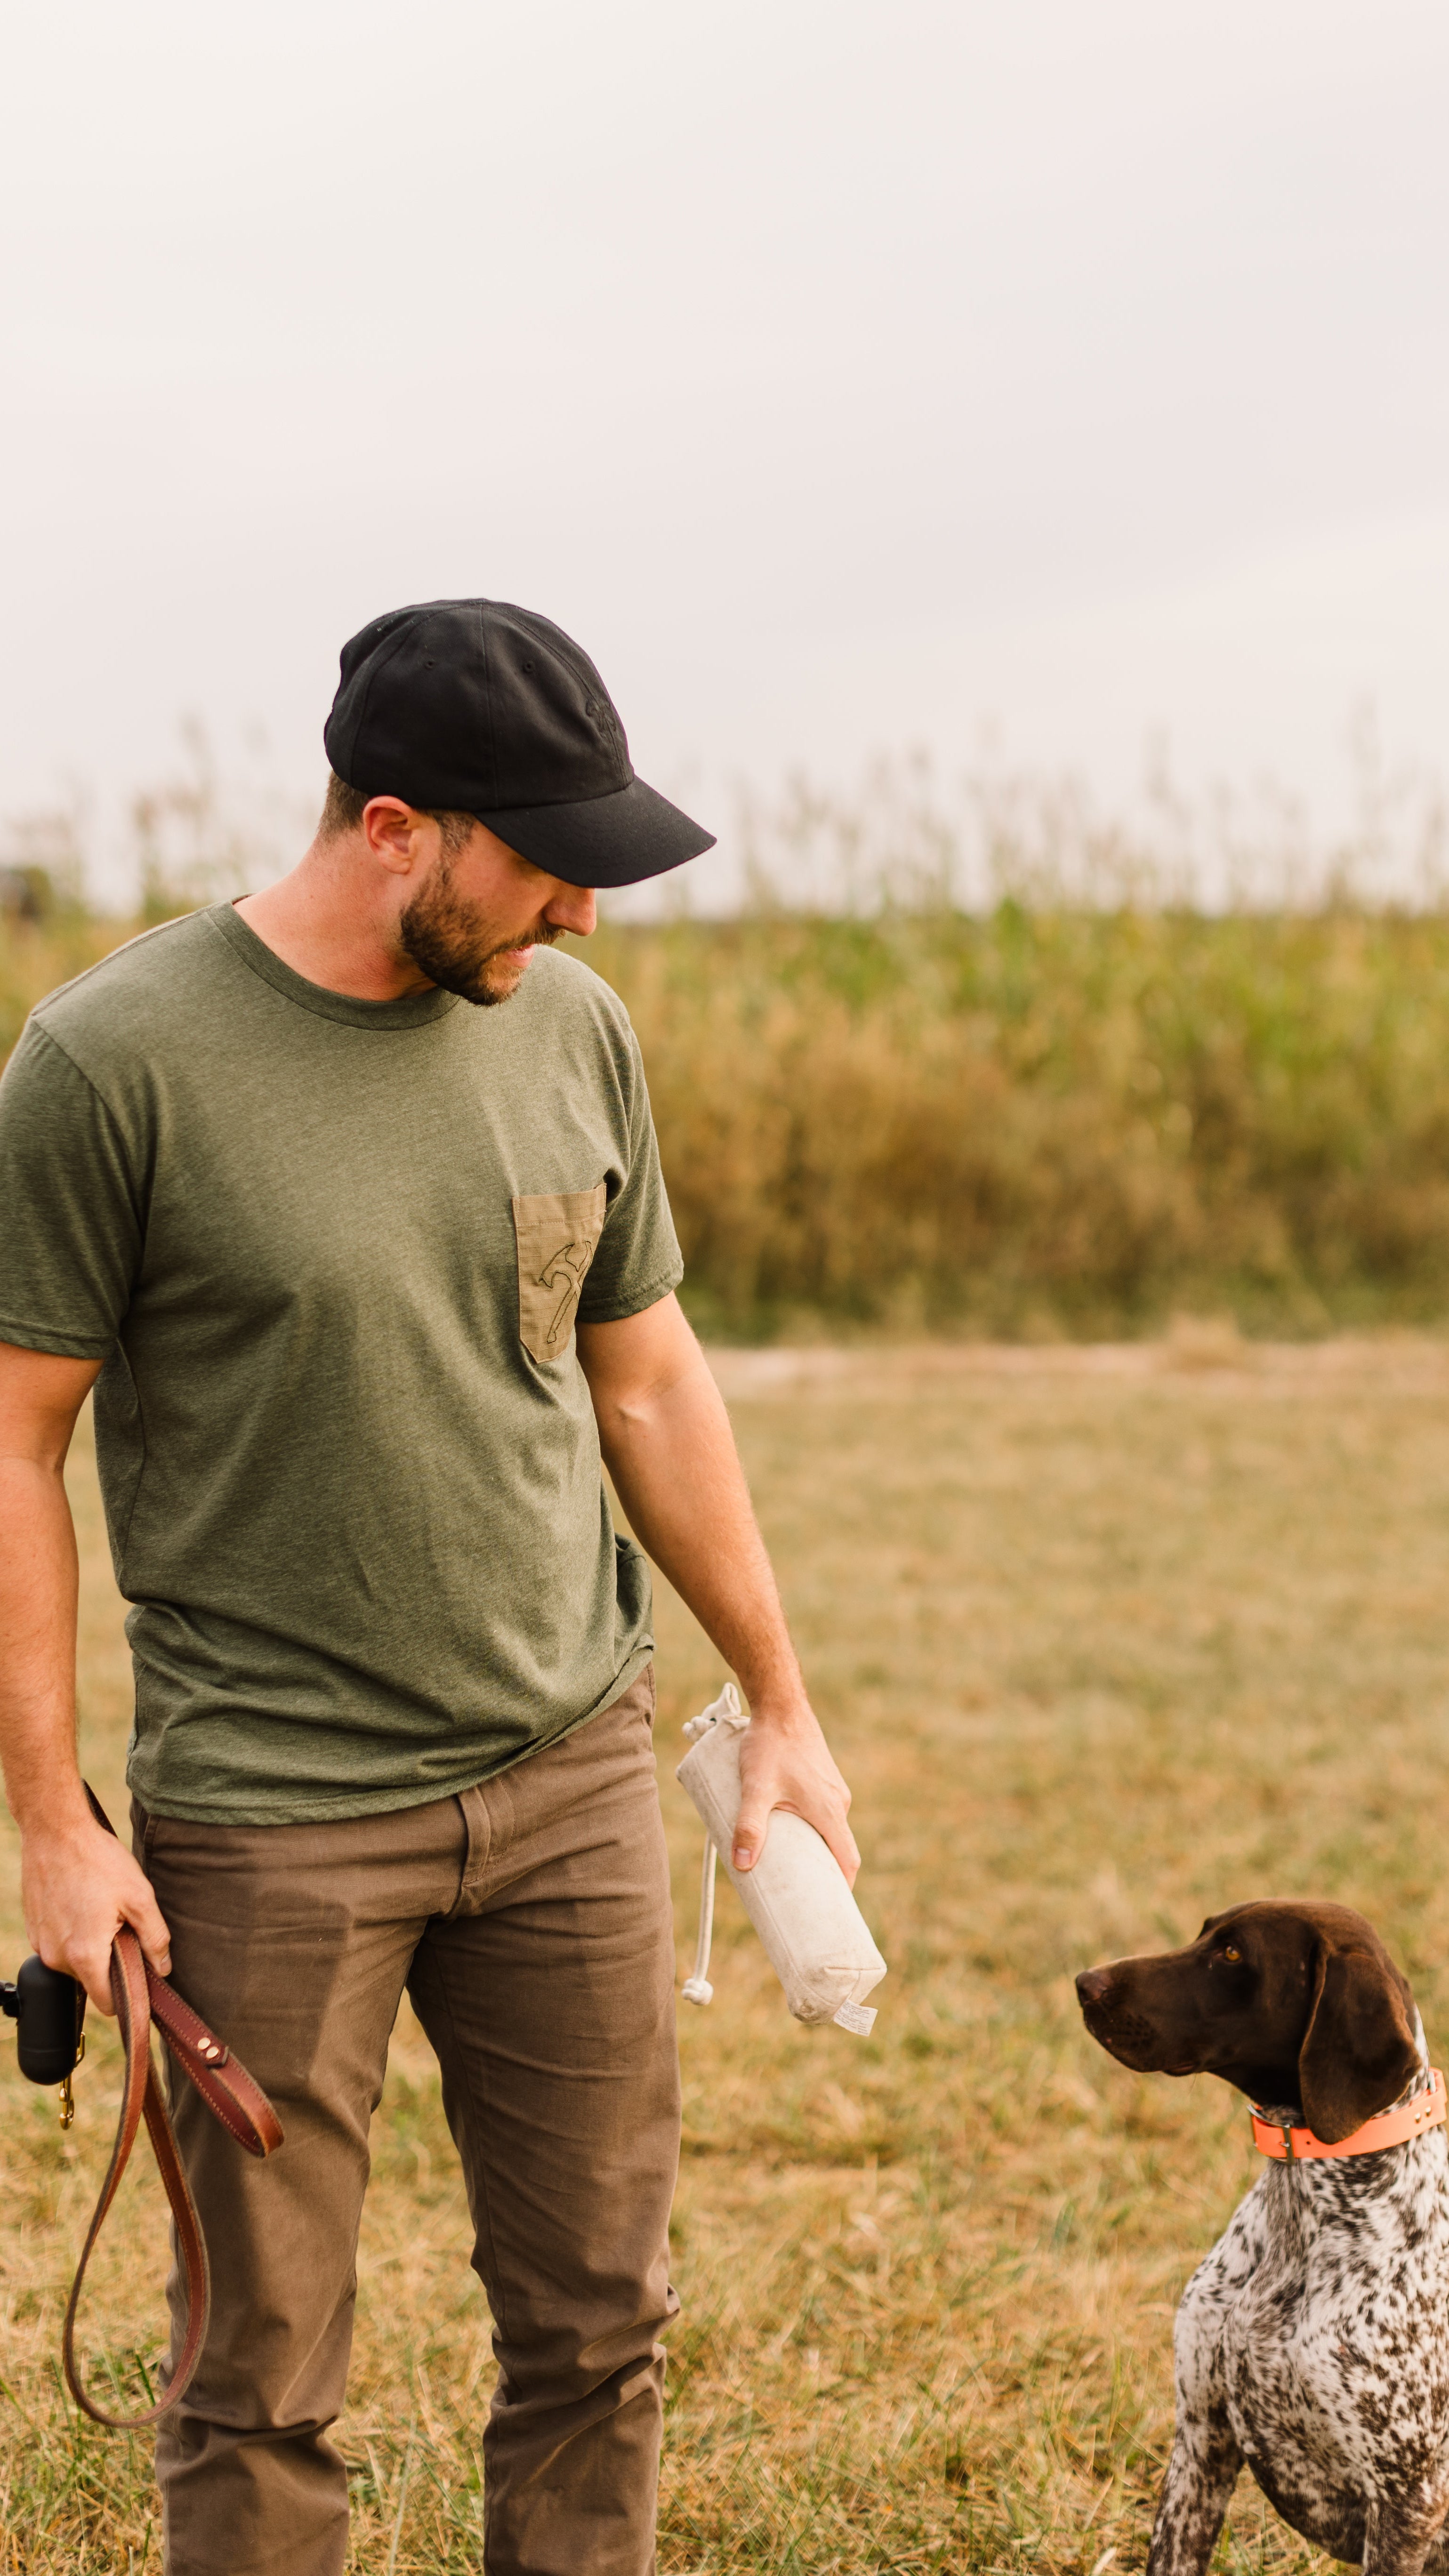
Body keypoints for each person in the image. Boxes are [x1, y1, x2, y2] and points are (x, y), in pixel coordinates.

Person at [0, 598, 858, 2576]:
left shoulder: (571, 1029)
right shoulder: (110, 1062)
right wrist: (55, 1828)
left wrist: (782, 1703)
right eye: (547, 864)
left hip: (569, 1783)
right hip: (272, 1824)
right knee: (260, 2379)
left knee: (598, 2328)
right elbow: (16, 1448)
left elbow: (643, 1375)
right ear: (395, 829)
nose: (579, 914)